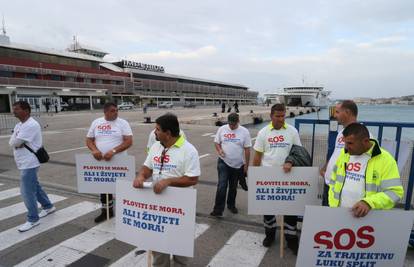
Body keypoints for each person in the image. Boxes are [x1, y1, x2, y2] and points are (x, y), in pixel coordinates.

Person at [133, 113, 200, 267]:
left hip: (180, 208)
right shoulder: (156, 147)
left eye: (157, 129)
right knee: (158, 248)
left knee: (180, 250)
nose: (154, 132)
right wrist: (141, 176)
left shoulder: (189, 150)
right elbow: (147, 167)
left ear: (168, 133)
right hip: (158, 206)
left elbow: (192, 179)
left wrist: (168, 181)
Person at [253, 103, 302, 252]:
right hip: (268, 178)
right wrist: (254, 177)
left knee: (290, 211)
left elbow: (298, 153)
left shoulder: (292, 131)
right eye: (278, 116)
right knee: (268, 210)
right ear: (271, 116)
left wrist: (290, 161)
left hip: (288, 177)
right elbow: (258, 156)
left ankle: (291, 239)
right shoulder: (263, 133)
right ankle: (270, 234)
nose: (281, 119)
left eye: (283, 116)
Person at [329, 123, 403, 217]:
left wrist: (369, 203)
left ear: (365, 141)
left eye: (350, 143)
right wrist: (332, 207)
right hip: (339, 215)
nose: (346, 147)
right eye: (345, 143)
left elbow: (395, 193)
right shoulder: (345, 154)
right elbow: (333, 182)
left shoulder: (385, 160)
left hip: (368, 219)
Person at [9, 101, 55, 232]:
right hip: (23, 161)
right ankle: (48, 206)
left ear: (26, 111)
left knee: (27, 191)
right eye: (14, 109)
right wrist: (17, 141)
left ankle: (33, 219)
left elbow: (16, 142)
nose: (14, 111)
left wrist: (18, 141)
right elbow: (12, 142)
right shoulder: (19, 124)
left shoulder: (31, 125)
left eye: (17, 109)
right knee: (35, 186)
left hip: (30, 162)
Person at [86, 102, 133, 223]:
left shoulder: (123, 123)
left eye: (117, 110)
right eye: (113, 111)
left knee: (122, 188)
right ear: (105, 112)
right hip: (102, 162)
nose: (116, 112)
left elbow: (128, 142)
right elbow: (89, 140)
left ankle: (126, 214)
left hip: (119, 162)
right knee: (104, 188)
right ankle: (106, 212)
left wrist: (113, 151)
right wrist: (95, 150)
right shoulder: (96, 123)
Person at [210, 113, 251, 217]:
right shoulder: (222, 129)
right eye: (230, 124)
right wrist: (219, 150)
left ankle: (231, 205)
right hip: (223, 162)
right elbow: (216, 142)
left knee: (233, 187)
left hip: (237, 165)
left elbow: (247, 149)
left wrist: (246, 165)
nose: (231, 126)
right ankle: (218, 210)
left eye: (234, 124)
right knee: (222, 186)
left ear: (238, 122)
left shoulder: (244, 132)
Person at [320, 100, 359, 206]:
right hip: (329, 183)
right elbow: (336, 153)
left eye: (337, 112)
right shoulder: (342, 133)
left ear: (347, 112)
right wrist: (325, 168)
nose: (334, 115)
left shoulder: (362, 135)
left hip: (341, 187)